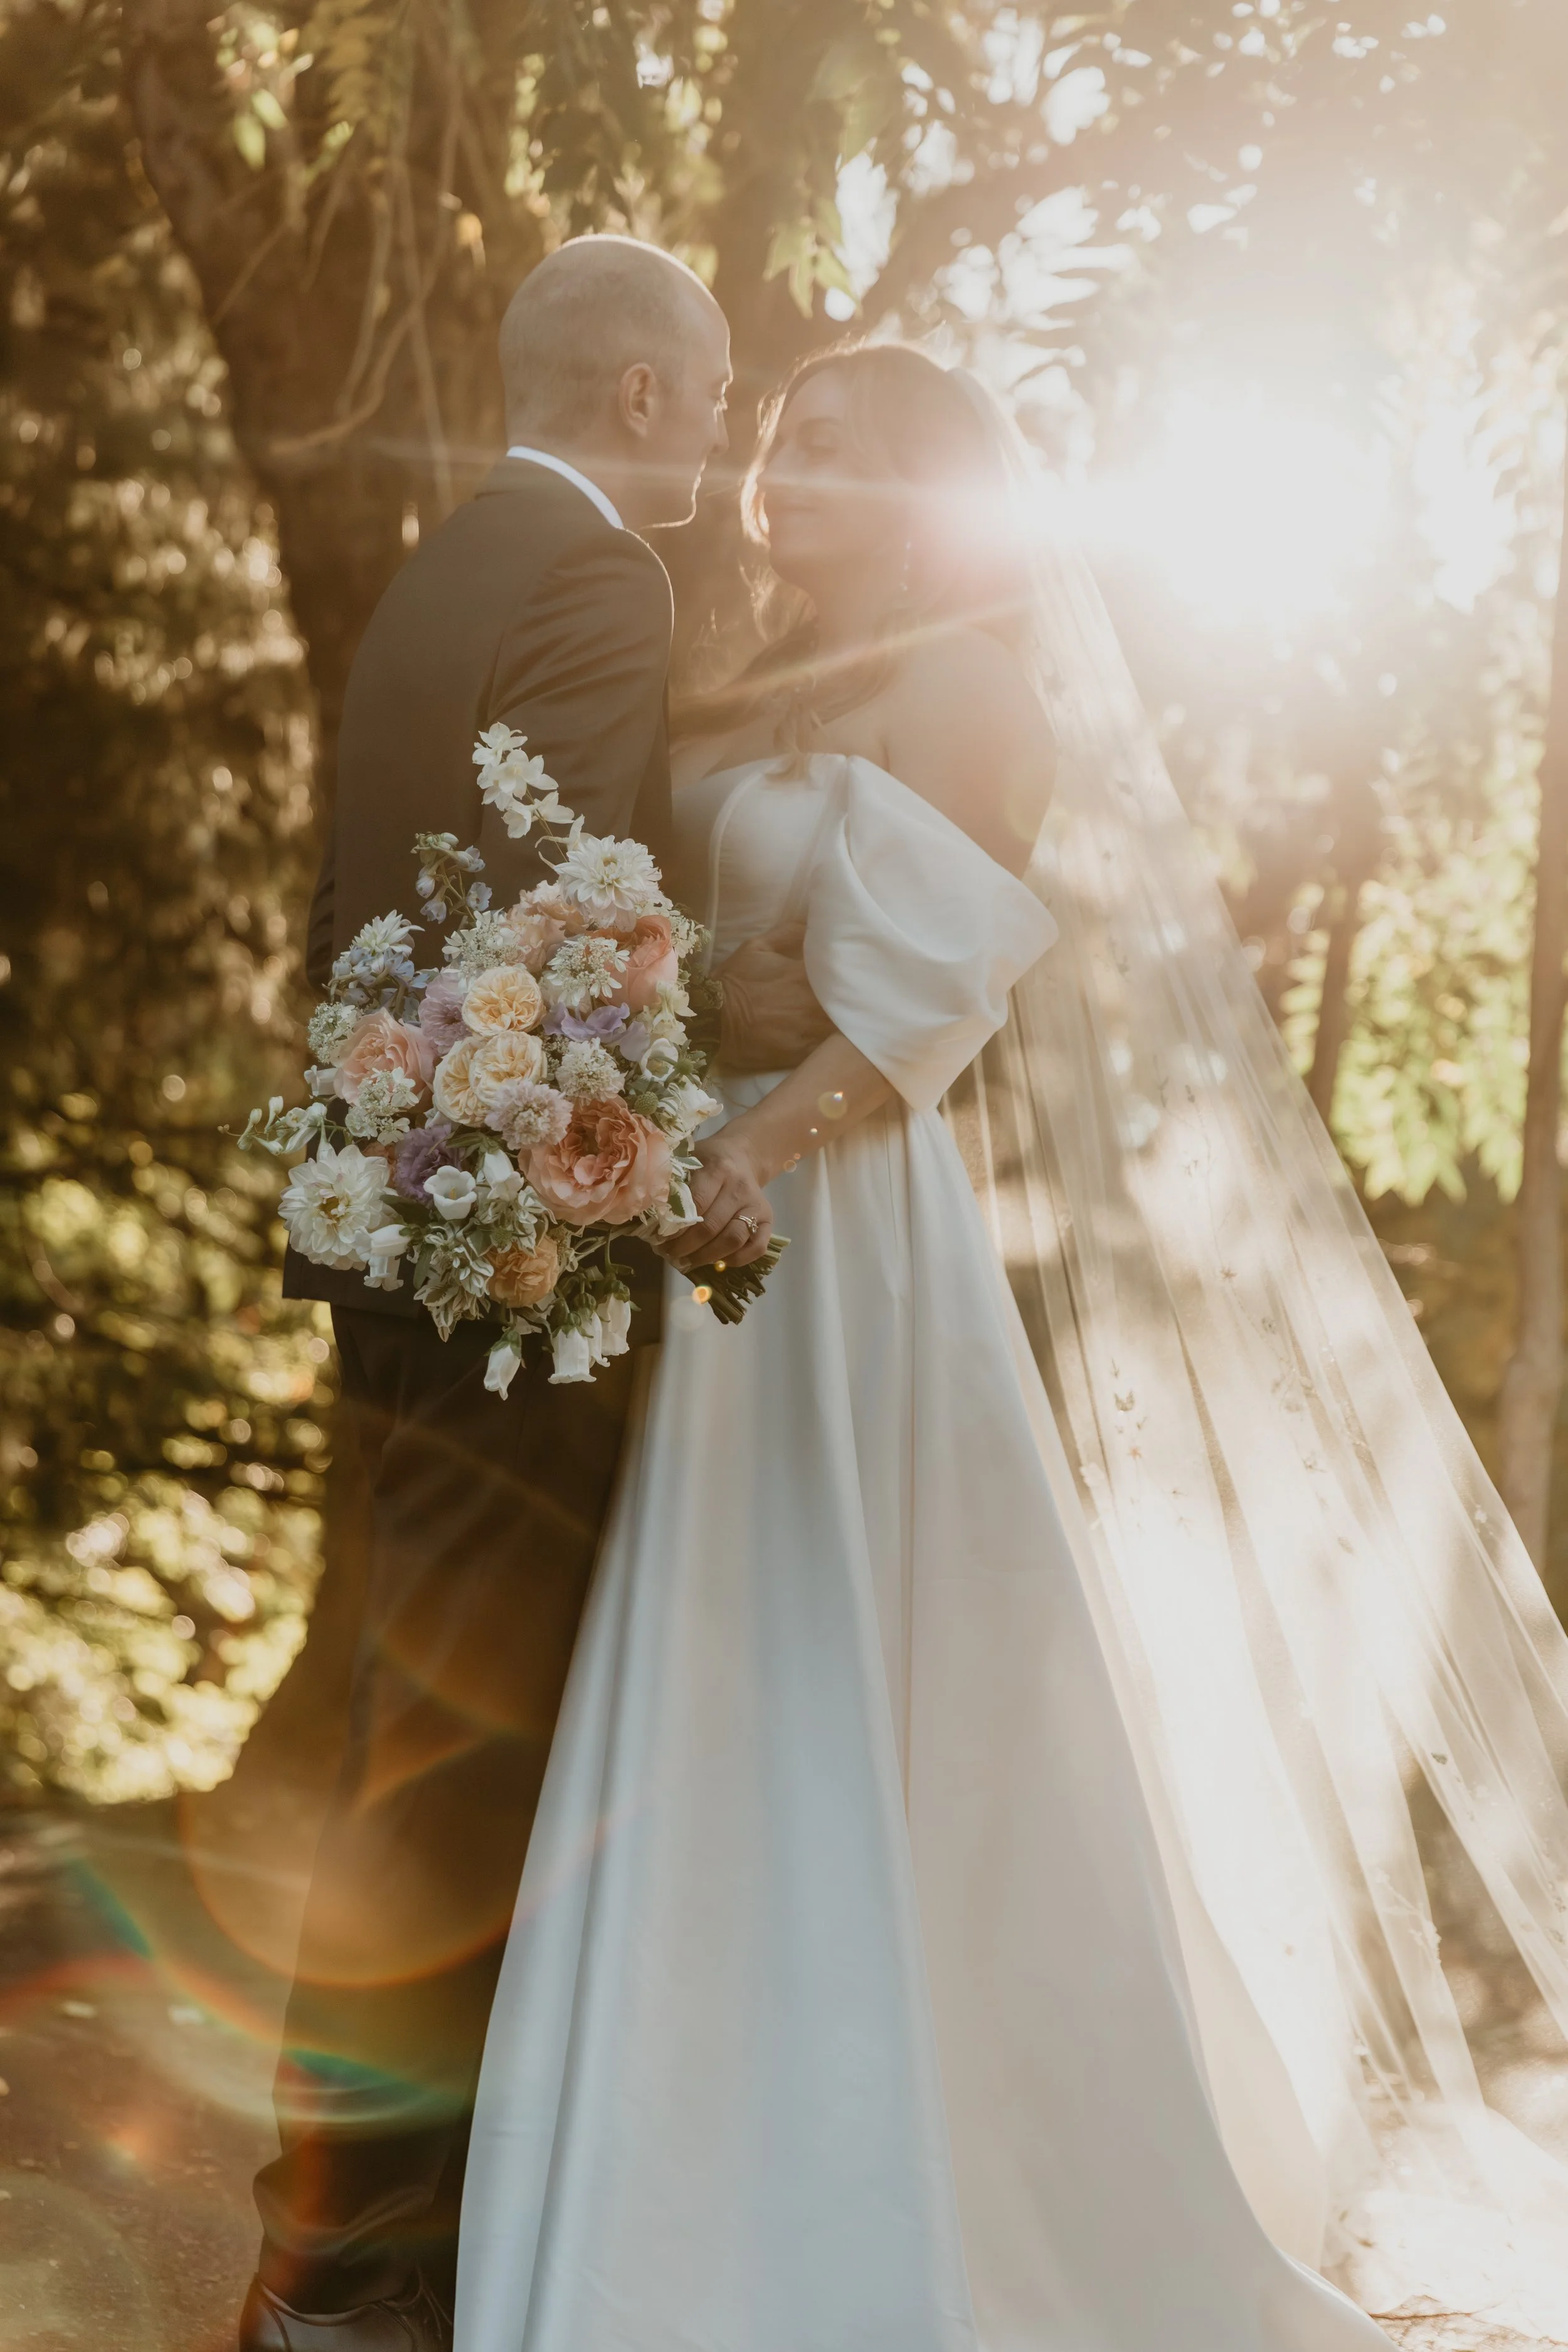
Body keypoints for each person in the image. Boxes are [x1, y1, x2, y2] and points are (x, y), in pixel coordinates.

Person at [450, 346, 1409, 2348]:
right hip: (687, 1203)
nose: (784, 470)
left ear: (932, 499)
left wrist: (754, 1149)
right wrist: (677, 1032)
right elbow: (675, 936)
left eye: (836, 448)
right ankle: (675, 2157)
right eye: (781, 437)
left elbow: (931, 994)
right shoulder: (721, 680)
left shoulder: (967, 689)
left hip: (833, 1236)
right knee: (700, 1669)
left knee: (853, 1659)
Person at [240, 238, 828, 2352]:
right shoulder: (603, 577)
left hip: (392, 1226)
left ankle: (351, 2229)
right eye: (726, 388)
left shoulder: (435, 565)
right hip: (505, 1255)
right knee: (461, 1770)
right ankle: (353, 2264)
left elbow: (358, 900)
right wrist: (656, 1181)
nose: (733, 422)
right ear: (649, 399)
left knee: (418, 1735)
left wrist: (362, 1159)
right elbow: (571, 909)